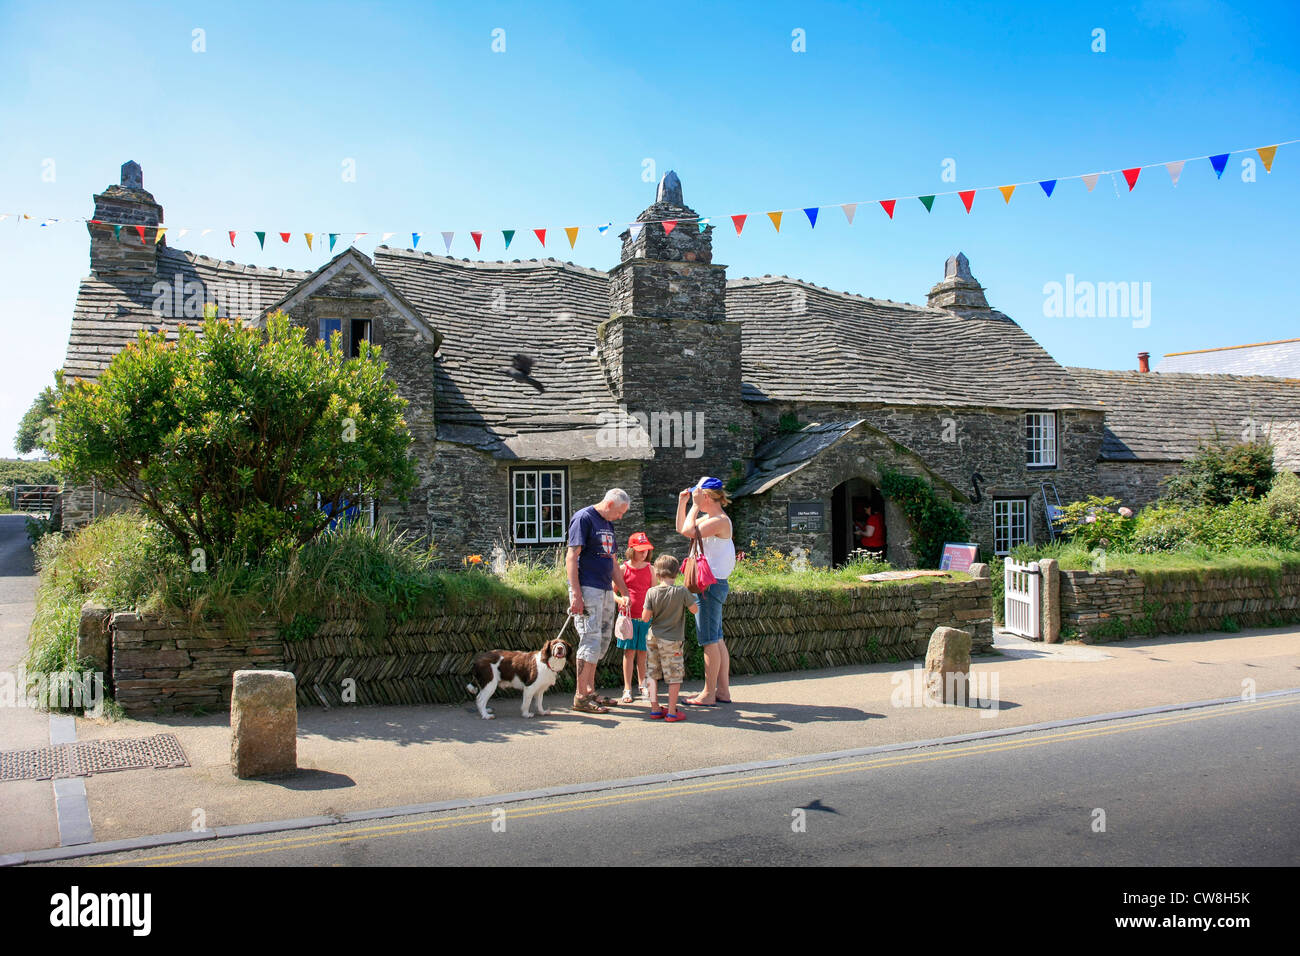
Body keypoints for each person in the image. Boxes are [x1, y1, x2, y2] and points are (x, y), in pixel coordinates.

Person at [566, 488, 631, 714]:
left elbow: (613, 561)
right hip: (587, 588)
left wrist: (624, 591)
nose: (620, 517)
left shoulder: (608, 524)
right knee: (589, 639)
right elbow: (572, 556)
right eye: (620, 512)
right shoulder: (584, 518)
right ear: (610, 503)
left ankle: (590, 691)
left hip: (604, 589)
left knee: (601, 642)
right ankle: (580, 696)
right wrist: (575, 593)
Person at [676, 476, 736, 706]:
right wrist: (683, 505)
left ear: (708, 496)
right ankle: (722, 691)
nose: (695, 497)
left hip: (709, 587)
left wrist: (693, 506)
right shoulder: (711, 518)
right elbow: (683, 528)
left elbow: (690, 531)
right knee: (717, 639)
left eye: (698, 494)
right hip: (710, 584)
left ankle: (709, 694)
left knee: (709, 640)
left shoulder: (719, 520)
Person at [641, 554, 697, 722]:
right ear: (677, 573)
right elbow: (695, 610)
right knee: (674, 675)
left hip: (653, 637)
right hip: (672, 640)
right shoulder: (681, 592)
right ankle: (672, 712)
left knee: (652, 673)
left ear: (657, 574)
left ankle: (655, 708)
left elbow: (645, 617)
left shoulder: (651, 592)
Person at [614, 532, 654, 703]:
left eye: (646, 550)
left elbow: (653, 593)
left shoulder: (650, 569)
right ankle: (627, 688)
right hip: (628, 618)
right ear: (631, 550)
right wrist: (620, 600)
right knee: (629, 652)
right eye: (640, 550)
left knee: (643, 653)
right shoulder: (623, 569)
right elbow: (611, 592)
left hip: (645, 618)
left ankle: (643, 684)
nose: (644, 553)